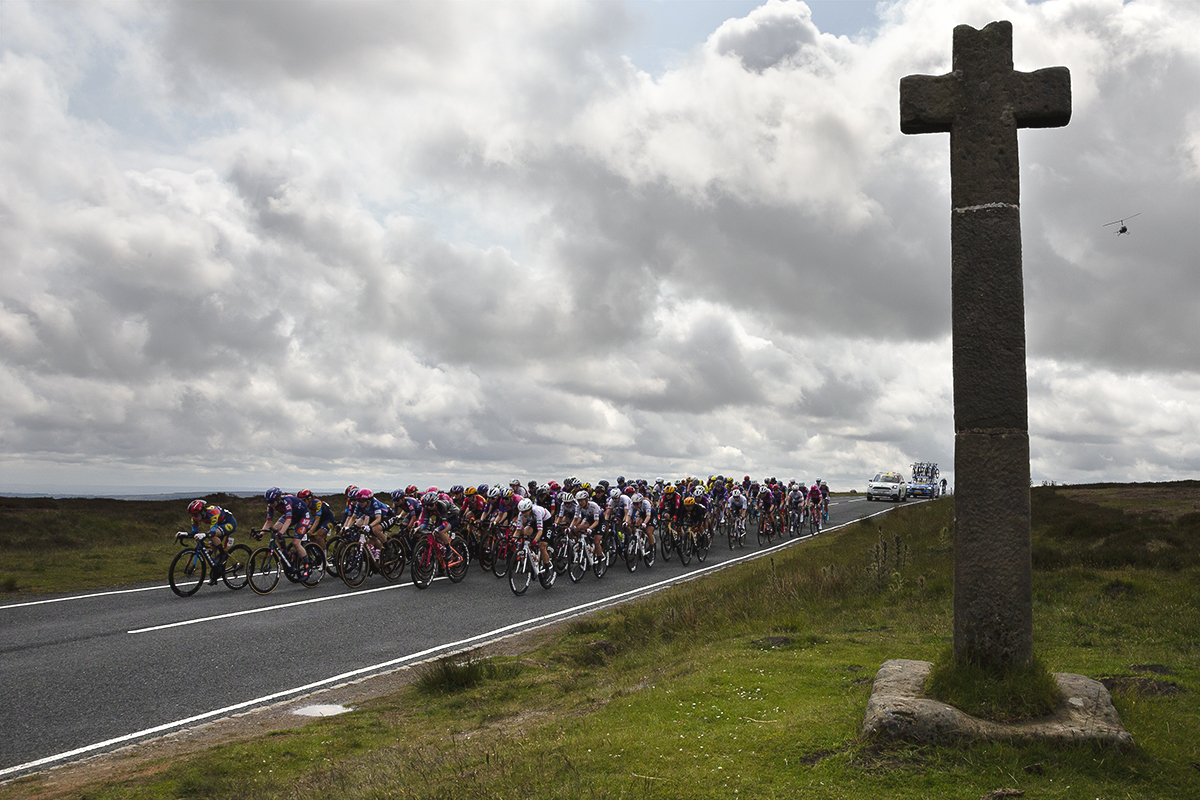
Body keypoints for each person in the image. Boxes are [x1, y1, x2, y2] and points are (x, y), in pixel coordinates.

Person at [258, 488, 312, 577]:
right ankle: (285, 552)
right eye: (268, 502)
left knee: (296, 542)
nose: (270, 504)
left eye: (272, 502)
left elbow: (288, 520)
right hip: (292, 516)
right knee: (275, 529)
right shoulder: (270, 505)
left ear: (278, 499)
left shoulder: (287, 501)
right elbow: (268, 522)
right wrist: (261, 534)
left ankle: (307, 567)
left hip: (303, 516)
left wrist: (281, 533)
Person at [182, 499, 236, 576]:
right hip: (219, 525)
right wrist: (183, 534)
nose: (194, 517)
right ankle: (216, 570)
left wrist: (204, 535)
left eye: (196, 514)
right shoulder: (195, 518)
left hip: (229, 523)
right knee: (211, 554)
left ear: (202, 511)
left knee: (211, 535)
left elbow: (212, 532)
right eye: (192, 514)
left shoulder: (212, 512)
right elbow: (194, 532)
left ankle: (223, 554)